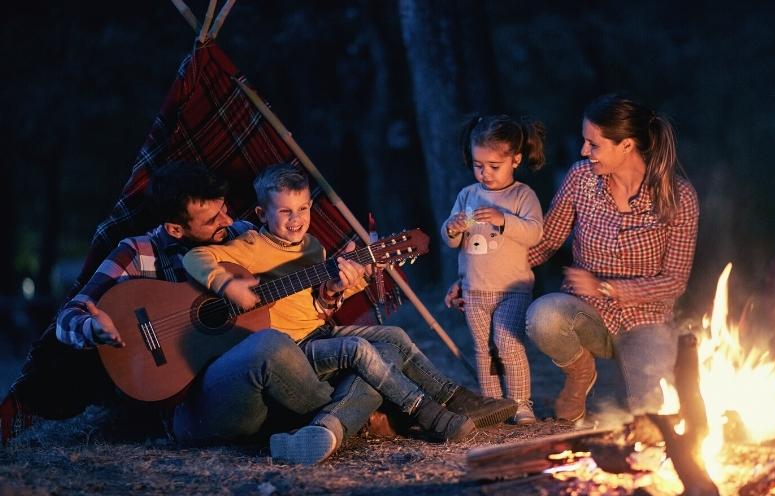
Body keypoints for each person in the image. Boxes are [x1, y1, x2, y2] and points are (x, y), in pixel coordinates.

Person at [182, 163, 518, 463]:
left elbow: (318, 307)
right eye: (285, 212)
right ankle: (427, 413)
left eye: (302, 208)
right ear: (262, 214)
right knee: (360, 350)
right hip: (289, 351)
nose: (296, 219)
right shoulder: (250, 246)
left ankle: (458, 399)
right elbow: (195, 257)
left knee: (394, 338)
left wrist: (343, 286)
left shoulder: (314, 247)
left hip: (318, 336)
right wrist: (227, 285)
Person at [55, 162, 356, 450]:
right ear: (175, 229)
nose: (227, 220)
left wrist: (332, 290)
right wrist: (91, 328)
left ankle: (331, 421)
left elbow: (294, 306)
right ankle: (347, 415)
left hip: (254, 381)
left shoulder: (241, 234)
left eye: (223, 209)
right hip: (194, 405)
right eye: (212, 220)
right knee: (270, 344)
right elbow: (69, 315)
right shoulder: (137, 253)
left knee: (377, 347)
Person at [525, 93, 699, 421]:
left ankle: (624, 390)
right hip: (585, 314)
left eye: (593, 144)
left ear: (627, 146)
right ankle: (580, 374)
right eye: (584, 142)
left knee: (647, 414)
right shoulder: (581, 179)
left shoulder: (678, 198)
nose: (583, 151)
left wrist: (608, 288)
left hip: (646, 319)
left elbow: (674, 281)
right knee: (544, 316)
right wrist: (484, 275)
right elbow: (546, 242)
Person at [441, 115, 546, 425]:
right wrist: (453, 227)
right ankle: (493, 405)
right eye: (478, 165)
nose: (484, 173)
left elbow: (534, 233)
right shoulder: (467, 196)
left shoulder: (522, 196)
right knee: (483, 348)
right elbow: (451, 240)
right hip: (475, 288)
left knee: (507, 341)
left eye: (493, 166)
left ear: (515, 159)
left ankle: (520, 402)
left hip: (512, 289)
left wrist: (504, 220)